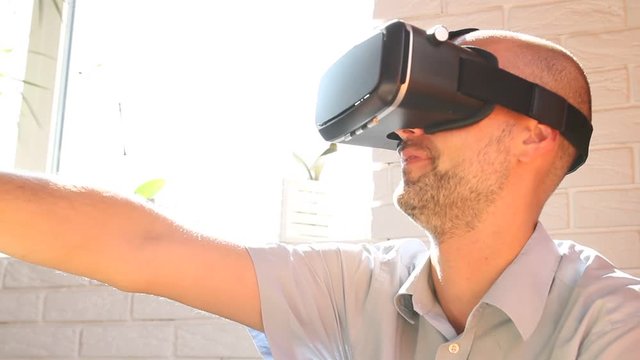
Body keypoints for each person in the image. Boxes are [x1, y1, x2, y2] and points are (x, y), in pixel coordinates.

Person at [0, 28, 638, 360]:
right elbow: (141, 247)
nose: (407, 128)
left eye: (451, 98)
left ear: (536, 135)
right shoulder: (355, 288)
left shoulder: (614, 326)